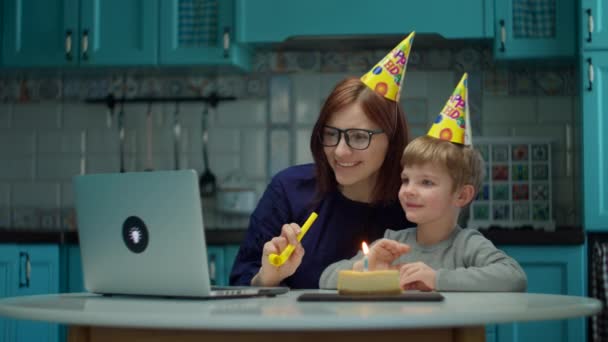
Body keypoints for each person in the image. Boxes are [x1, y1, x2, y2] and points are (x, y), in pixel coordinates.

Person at [230, 33, 416, 288]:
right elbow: (240, 284)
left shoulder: (413, 203)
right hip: (301, 328)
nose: (339, 151)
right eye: (331, 134)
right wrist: (268, 278)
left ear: (392, 140)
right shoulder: (288, 190)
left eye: (359, 137)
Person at [319, 74, 527, 292]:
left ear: (462, 195)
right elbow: (326, 278)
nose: (409, 190)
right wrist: (365, 267)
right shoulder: (392, 242)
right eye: (406, 180)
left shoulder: (466, 245)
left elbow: (514, 277)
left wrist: (437, 279)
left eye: (426, 182)